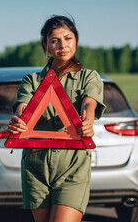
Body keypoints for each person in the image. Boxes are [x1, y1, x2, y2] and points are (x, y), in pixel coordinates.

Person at [7, 15, 106, 222]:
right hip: (36, 165)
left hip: (72, 164)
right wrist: (19, 120)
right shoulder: (32, 80)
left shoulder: (89, 77)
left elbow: (89, 103)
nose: (63, 45)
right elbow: (23, 107)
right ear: (46, 45)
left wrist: (86, 122)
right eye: (55, 40)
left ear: (76, 40)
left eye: (68, 38)